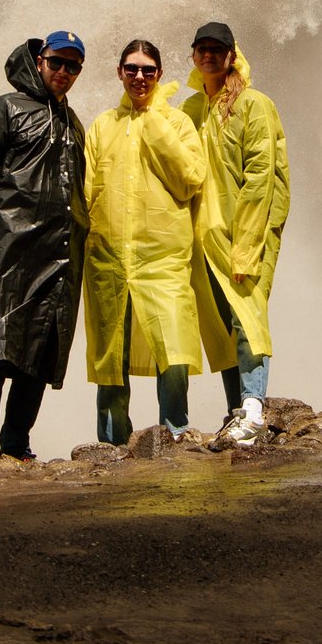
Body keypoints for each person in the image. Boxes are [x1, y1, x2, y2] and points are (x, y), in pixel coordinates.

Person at [0, 31, 89, 461]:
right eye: (56, 62)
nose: (63, 72)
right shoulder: (5, 109)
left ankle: (16, 447)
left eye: (73, 66)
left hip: (59, 257)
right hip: (6, 251)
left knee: (39, 355)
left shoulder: (73, 123)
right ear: (38, 60)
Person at [81, 38, 210, 444]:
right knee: (111, 356)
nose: (140, 77)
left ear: (159, 74)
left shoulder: (177, 123)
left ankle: (174, 434)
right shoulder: (102, 126)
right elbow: (86, 194)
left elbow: (190, 180)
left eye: (148, 70)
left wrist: (153, 119)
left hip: (164, 258)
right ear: (119, 72)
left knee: (172, 350)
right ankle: (112, 444)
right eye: (132, 69)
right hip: (108, 259)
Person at [182, 22, 290, 446]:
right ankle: (236, 413)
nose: (209, 54)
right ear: (194, 56)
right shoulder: (190, 110)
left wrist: (247, 243)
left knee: (248, 320)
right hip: (202, 240)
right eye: (202, 48)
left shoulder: (254, 105)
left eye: (217, 49)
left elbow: (262, 175)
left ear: (232, 55)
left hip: (241, 234)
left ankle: (254, 409)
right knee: (224, 327)